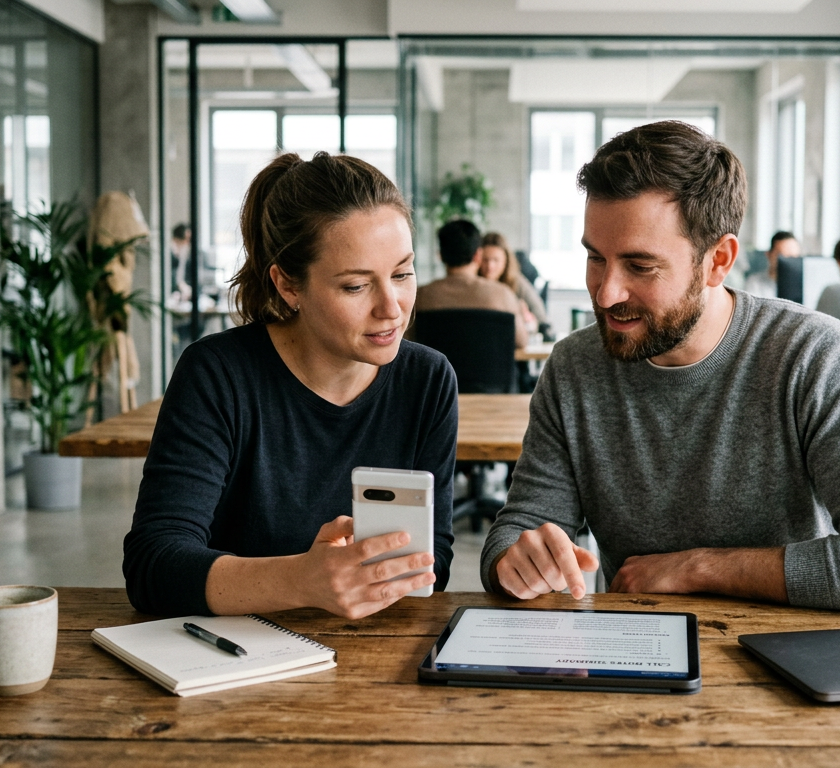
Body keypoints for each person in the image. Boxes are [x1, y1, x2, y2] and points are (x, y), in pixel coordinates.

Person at [480, 121, 840, 615]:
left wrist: (696, 568)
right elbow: (518, 529)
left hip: (791, 657)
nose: (606, 292)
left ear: (717, 261)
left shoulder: (812, 355)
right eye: (596, 258)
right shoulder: (574, 367)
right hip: (634, 653)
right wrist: (514, 560)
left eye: (640, 266)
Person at [124, 152, 458, 619]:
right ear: (288, 286)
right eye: (356, 287)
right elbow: (153, 566)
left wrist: (366, 576)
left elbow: (433, 564)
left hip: (375, 650)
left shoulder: (428, 379)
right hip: (232, 655)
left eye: (402, 274)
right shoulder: (218, 373)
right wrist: (304, 580)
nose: (392, 308)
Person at [416, 220, 528, 348]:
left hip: (437, 368)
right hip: (489, 368)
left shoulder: (420, 297)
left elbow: (407, 343)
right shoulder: (503, 295)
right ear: (478, 255)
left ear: (440, 256)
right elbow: (521, 342)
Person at [479, 231, 548, 336]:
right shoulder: (472, 285)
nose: (490, 266)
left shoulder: (517, 282)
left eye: (496, 260)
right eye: (485, 260)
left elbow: (540, 316)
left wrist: (529, 320)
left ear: (505, 261)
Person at [744, 231, 800, 299]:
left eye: (792, 257)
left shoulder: (804, 285)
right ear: (769, 255)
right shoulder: (754, 283)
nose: (787, 262)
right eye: (781, 256)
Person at [170, 223, 192, 300]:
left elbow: (180, 276)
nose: (188, 242)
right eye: (187, 238)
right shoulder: (170, 251)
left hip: (177, 291)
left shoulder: (183, 251)